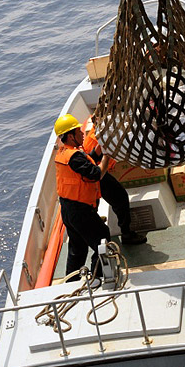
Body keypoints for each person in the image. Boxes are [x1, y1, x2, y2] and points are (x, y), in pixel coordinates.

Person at [54, 113, 111, 279]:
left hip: (68, 209)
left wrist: (100, 148)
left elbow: (87, 162)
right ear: (71, 136)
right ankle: (97, 277)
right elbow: (96, 174)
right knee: (102, 238)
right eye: (78, 131)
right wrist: (108, 155)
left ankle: (71, 280)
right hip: (80, 211)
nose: (82, 133)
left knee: (77, 248)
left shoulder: (66, 153)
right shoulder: (75, 157)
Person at [83, 117, 147, 245]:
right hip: (96, 176)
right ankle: (127, 234)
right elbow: (97, 167)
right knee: (120, 198)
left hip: (91, 177)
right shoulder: (97, 139)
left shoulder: (98, 135)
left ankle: (96, 221)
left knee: (94, 201)